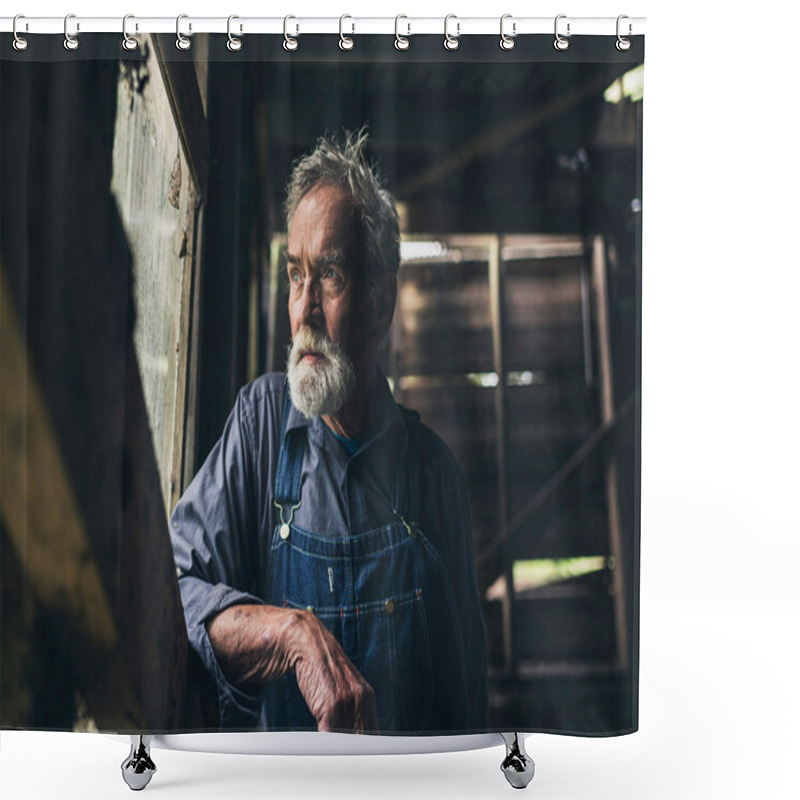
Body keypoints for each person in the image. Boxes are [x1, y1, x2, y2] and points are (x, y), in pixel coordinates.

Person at [170, 131, 488, 734]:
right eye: (296, 275)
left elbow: (466, 709)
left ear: (380, 302)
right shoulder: (262, 429)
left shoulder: (433, 475)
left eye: (331, 276)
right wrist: (289, 634)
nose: (304, 310)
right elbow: (174, 587)